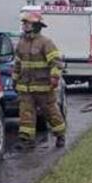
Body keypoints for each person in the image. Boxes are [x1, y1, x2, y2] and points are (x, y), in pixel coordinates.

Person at [14, 11, 66, 149]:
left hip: (44, 87)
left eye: (27, 23)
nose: (24, 25)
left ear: (36, 25)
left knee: (51, 112)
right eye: (23, 23)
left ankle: (60, 135)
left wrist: (54, 77)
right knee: (26, 114)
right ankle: (26, 140)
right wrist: (15, 79)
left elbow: (56, 62)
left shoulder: (46, 43)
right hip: (26, 87)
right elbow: (18, 64)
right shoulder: (21, 44)